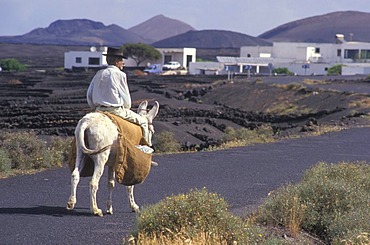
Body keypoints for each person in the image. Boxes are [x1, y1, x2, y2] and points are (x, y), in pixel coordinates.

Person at [86, 47, 151, 146]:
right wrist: (126, 108)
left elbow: (89, 95)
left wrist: (96, 108)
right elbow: (127, 101)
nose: (123, 63)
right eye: (121, 60)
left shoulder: (98, 74)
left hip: (99, 110)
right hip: (116, 111)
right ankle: (145, 151)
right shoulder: (120, 74)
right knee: (143, 122)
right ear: (116, 61)